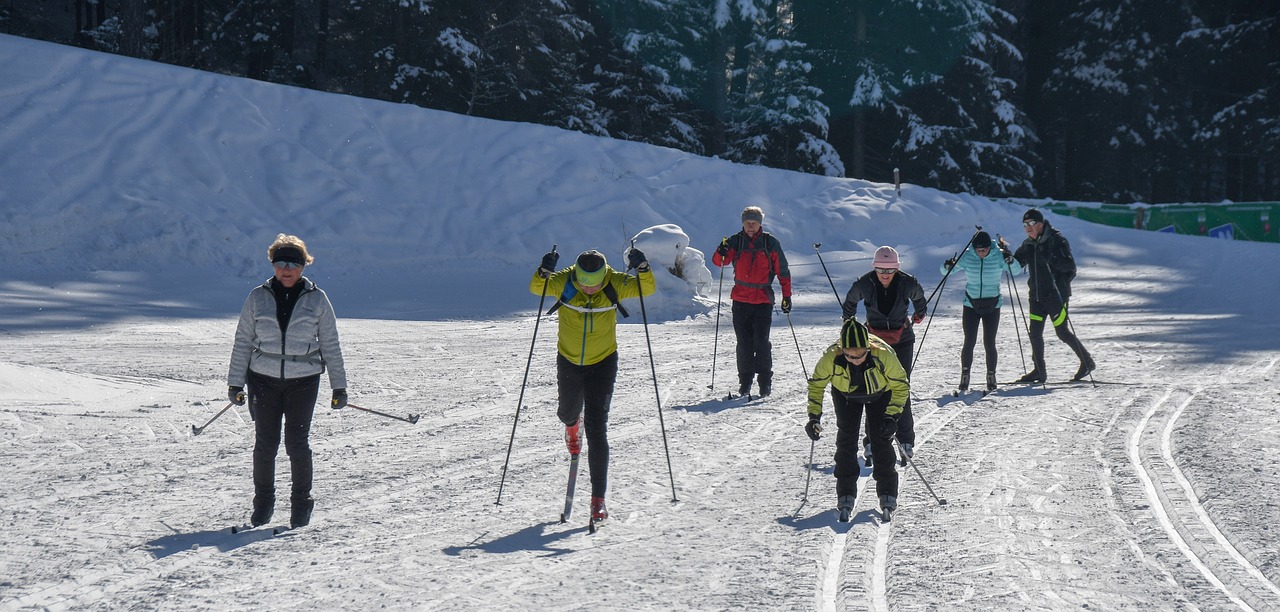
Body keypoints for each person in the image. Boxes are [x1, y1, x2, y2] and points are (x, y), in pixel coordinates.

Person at [227, 234, 348, 529]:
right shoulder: (257, 297)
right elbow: (243, 340)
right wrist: (235, 383)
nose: (286, 269)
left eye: (293, 263)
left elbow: (330, 343)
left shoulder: (317, 299)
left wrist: (339, 386)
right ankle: (263, 505)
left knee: (296, 444)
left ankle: (301, 503)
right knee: (265, 445)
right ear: (272, 264)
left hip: (302, 381)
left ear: (303, 266)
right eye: (280, 262)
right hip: (263, 380)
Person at [532, 247, 656, 523]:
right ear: (577, 276)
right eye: (585, 285)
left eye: (596, 285)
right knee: (567, 412)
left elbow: (646, 289)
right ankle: (571, 425)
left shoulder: (615, 282)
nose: (590, 290)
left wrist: (643, 267)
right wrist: (544, 269)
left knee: (598, 429)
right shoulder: (564, 281)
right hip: (569, 360)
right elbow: (536, 287)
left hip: (603, 362)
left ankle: (598, 501)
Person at [804, 318, 911, 521]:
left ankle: (887, 492)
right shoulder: (831, 357)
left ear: (868, 348)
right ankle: (845, 493)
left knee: (881, 440)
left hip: (880, 393)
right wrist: (813, 417)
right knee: (846, 440)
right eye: (849, 355)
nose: (855, 359)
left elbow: (901, 385)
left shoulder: (883, 354)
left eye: (861, 355)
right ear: (842, 349)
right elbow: (816, 385)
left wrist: (892, 416)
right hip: (846, 396)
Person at [841, 245, 925, 468]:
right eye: (880, 270)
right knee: (874, 389)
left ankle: (906, 440)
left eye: (889, 270)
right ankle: (871, 441)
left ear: (897, 269)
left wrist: (920, 313)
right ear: (874, 268)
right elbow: (849, 302)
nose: (885, 275)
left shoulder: (907, 282)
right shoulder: (865, 283)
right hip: (874, 343)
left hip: (902, 340)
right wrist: (849, 324)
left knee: (900, 386)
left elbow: (919, 297)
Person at [711, 205, 793, 397]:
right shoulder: (735, 241)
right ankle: (745, 383)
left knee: (762, 342)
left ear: (760, 224)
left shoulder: (770, 243)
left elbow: (783, 271)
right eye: (747, 223)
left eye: (753, 223)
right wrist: (720, 250)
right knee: (744, 343)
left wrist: (787, 296)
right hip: (740, 300)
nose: (750, 226)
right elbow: (719, 261)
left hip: (763, 300)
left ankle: (765, 383)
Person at [1007, 209, 1094, 383]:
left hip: (1056, 296)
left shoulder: (1057, 240)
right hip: (1036, 296)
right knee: (1035, 334)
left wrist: (1051, 257)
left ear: (1041, 223)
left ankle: (1087, 362)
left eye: (1031, 223)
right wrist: (1007, 257)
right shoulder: (1028, 244)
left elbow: (1070, 266)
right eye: (1025, 225)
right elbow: (1017, 263)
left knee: (1062, 332)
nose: (1028, 228)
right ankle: (1039, 370)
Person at [940, 231, 1023, 392]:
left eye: (984, 250)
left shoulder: (998, 255)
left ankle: (991, 376)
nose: (982, 253)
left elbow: (1016, 270)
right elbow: (945, 271)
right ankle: (965, 376)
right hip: (971, 305)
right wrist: (947, 265)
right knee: (969, 341)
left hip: (993, 305)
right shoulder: (968, 255)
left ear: (989, 247)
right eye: (979, 250)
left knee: (989, 343)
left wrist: (1010, 260)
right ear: (974, 248)